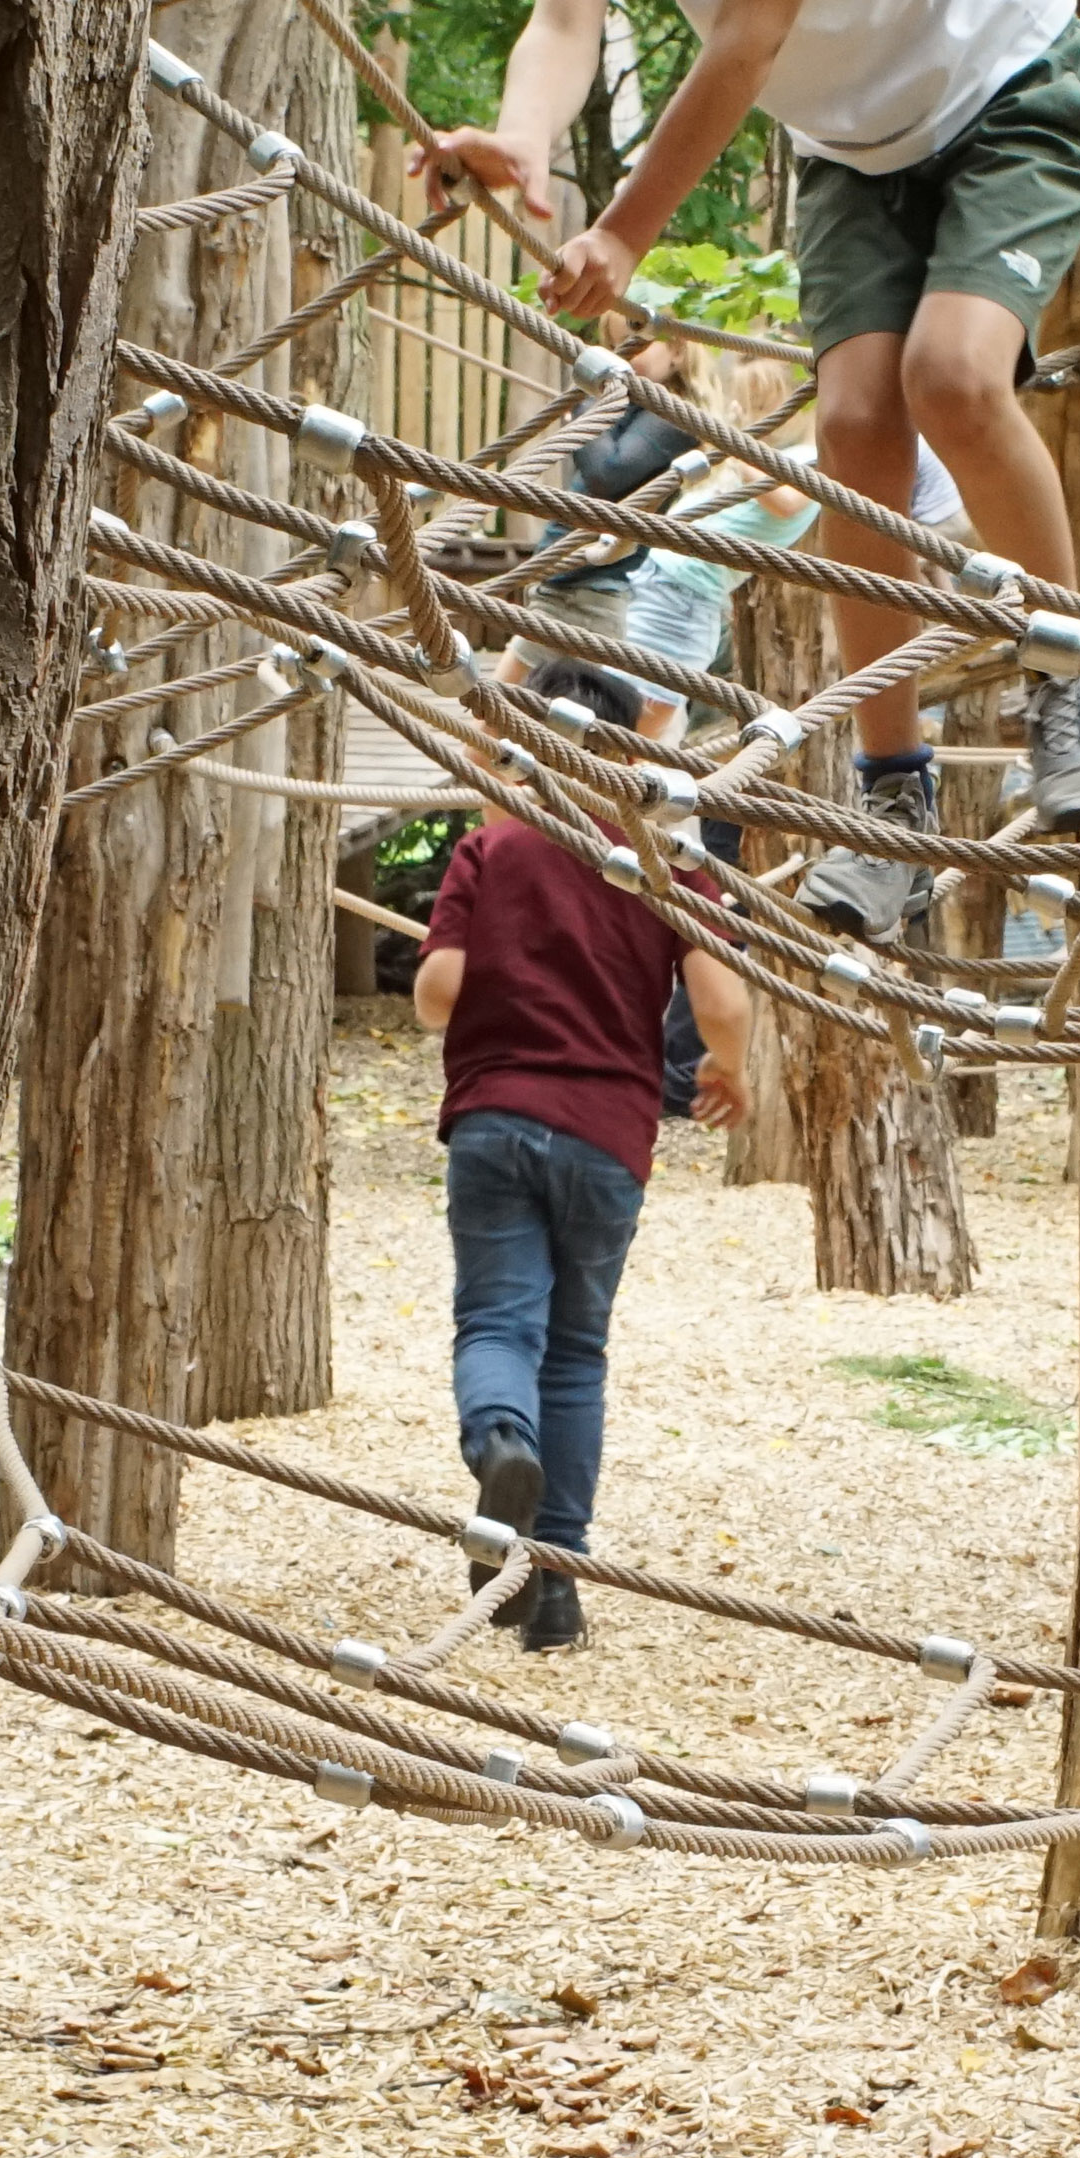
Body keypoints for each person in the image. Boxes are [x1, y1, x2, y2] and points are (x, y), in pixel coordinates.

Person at [422, 0, 1080, 951]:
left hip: (1003, 90)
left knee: (948, 376)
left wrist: (621, 228)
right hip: (854, 144)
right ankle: (890, 799)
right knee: (855, 429)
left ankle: (1078, 684)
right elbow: (565, 18)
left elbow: (743, 39)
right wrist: (526, 141)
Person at [412, 669, 755, 1652]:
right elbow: (723, 1005)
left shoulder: (492, 846)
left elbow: (437, 989)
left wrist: (490, 986)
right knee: (575, 1352)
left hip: (492, 1118)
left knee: (496, 1322)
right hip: (608, 1134)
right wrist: (726, 1072)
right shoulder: (660, 860)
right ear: (623, 753)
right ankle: (554, 1590)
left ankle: (499, 1447)